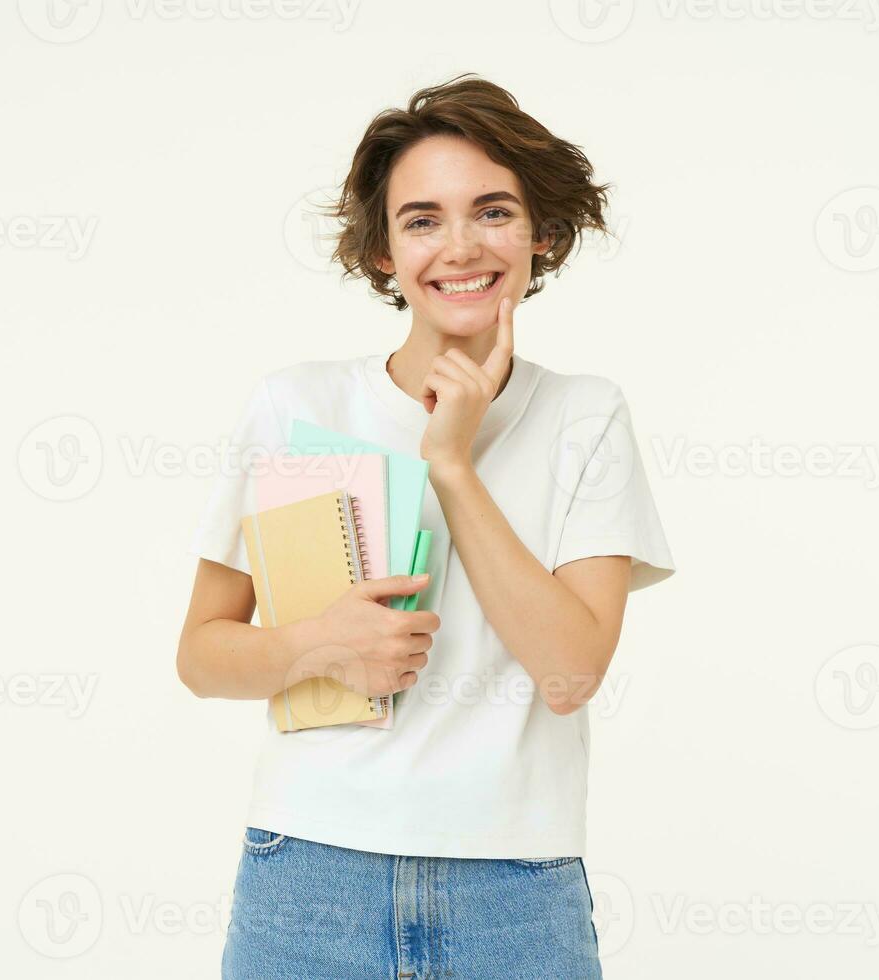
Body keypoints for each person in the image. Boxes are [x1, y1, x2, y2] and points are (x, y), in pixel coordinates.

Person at [178, 73, 675, 979]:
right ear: (381, 253)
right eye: (421, 220)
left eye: (492, 212)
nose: (459, 247)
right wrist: (319, 648)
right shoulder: (297, 404)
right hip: (308, 880)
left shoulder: (586, 417)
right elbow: (201, 655)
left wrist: (451, 460)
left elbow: (571, 674)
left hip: (515, 892)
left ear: (543, 235)